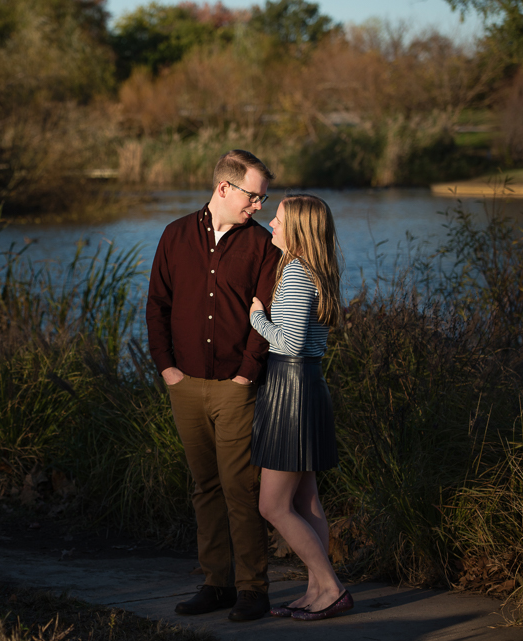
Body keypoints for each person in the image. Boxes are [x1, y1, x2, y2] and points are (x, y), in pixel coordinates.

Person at [146, 150, 280, 622]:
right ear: (224, 188)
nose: (259, 206)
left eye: (263, 198)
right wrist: (167, 368)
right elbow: (157, 306)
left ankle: (252, 590)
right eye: (254, 196)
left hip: (234, 387)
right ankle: (215, 583)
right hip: (184, 384)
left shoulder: (263, 246)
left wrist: (247, 373)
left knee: (241, 488)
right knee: (205, 486)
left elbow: (266, 315)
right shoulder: (175, 235)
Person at [248, 194, 354, 621]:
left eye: (279, 218)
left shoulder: (294, 274)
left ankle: (331, 587)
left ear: (299, 229)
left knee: (272, 505)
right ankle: (316, 590)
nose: (271, 222)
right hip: (305, 385)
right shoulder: (317, 271)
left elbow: (288, 341)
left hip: (291, 389)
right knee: (307, 500)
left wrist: (257, 317)